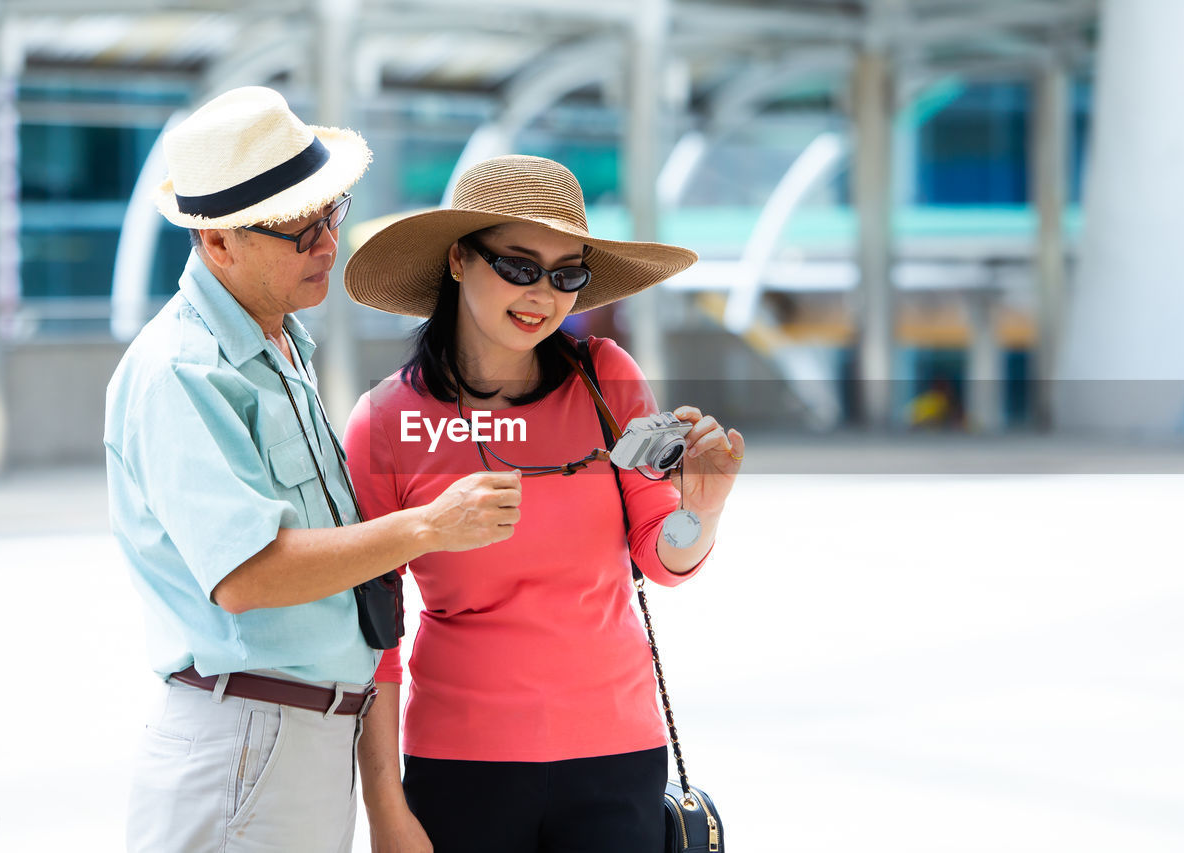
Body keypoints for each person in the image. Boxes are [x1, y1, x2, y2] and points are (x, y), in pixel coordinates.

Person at [104, 87, 523, 852]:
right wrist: (429, 525)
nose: (329, 244)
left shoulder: (280, 349)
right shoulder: (182, 371)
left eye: (331, 214)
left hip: (293, 737)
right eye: (301, 231)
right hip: (246, 736)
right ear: (218, 241)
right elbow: (248, 573)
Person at [341, 154, 744, 853]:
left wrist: (701, 511)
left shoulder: (608, 380)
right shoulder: (383, 423)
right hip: (460, 768)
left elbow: (663, 554)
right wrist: (384, 807)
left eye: (567, 274)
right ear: (460, 260)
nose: (543, 295)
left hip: (617, 758)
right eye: (520, 266)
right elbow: (372, 636)